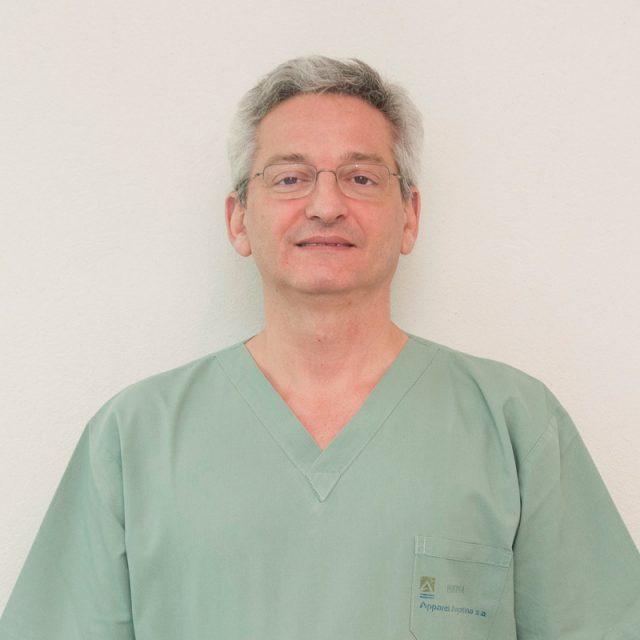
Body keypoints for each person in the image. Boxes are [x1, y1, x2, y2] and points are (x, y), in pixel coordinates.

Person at [1, 55, 638, 640]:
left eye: (361, 177)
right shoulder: (133, 437)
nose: (326, 205)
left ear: (410, 216)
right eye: (290, 178)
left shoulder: (516, 425)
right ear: (238, 219)